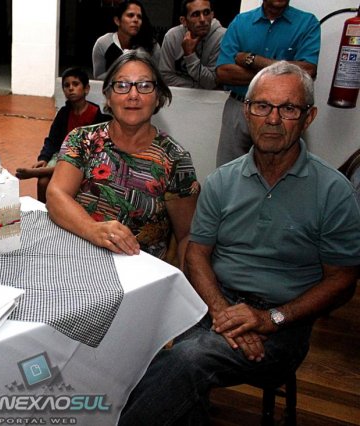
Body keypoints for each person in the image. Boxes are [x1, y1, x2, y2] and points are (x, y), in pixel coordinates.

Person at [119, 61, 360, 425]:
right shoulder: (222, 181)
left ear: (308, 117)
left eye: (288, 108)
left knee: (186, 360)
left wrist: (270, 319)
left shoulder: (333, 191)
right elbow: (197, 254)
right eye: (262, 106)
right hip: (215, 304)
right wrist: (221, 311)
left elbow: (342, 280)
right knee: (147, 350)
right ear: (246, 112)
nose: (273, 119)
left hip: (285, 321)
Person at [46, 50, 199, 266]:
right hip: (77, 259)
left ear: (158, 97)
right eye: (122, 85)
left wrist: (179, 281)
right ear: (108, 96)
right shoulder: (83, 140)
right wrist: (93, 230)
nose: (133, 95)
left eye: (144, 85)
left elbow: (186, 235)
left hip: (140, 272)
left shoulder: (175, 159)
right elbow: (56, 195)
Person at [214, 0, 320, 166]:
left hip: (286, 112)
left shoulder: (307, 23)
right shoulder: (241, 22)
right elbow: (223, 72)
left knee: (282, 170)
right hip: (239, 107)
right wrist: (287, 71)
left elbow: (308, 71)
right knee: (229, 170)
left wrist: (252, 60)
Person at [15, 67, 110, 203]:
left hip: (86, 159)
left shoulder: (97, 116)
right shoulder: (63, 113)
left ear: (86, 89)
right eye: (66, 85)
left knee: (69, 169)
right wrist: (44, 158)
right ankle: (43, 212)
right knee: (43, 182)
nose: (71, 88)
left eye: (75, 84)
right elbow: (52, 140)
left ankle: (35, 173)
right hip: (62, 155)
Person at [159, 0, 225, 89]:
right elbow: (165, 77)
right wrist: (196, 87)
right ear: (184, 21)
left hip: (211, 96)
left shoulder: (222, 37)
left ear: (212, 15)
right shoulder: (172, 36)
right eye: (195, 15)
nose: (202, 19)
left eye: (206, 13)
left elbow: (212, 82)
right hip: (178, 94)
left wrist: (190, 55)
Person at [92, 0, 161, 80]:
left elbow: (156, 78)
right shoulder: (103, 43)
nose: (136, 20)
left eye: (139, 17)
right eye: (130, 15)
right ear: (117, 21)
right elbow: (98, 79)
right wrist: (124, 69)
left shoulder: (152, 46)